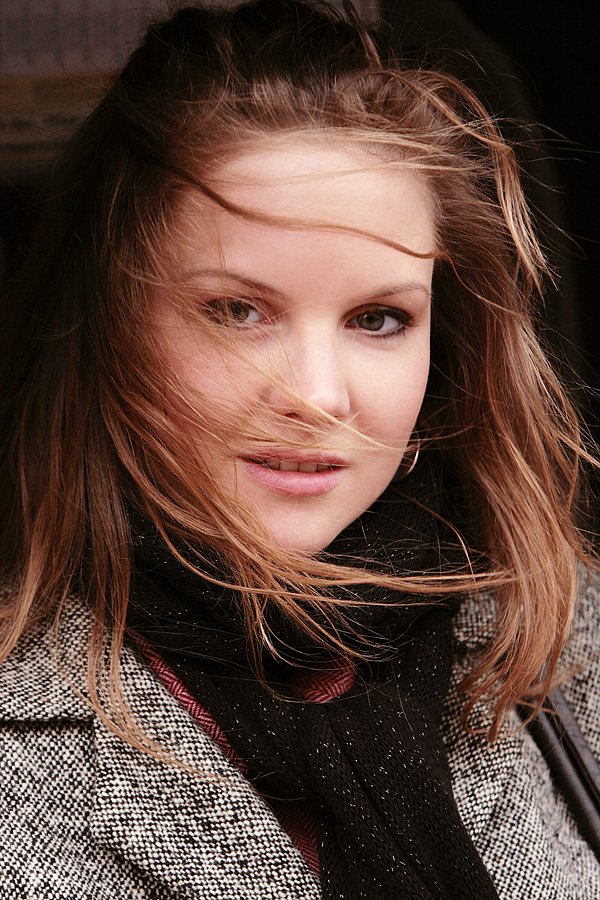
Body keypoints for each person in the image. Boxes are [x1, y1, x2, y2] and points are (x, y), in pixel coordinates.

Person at [0, 1, 598, 897]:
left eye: (379, 318)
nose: (318, 396)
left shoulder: (550, 629)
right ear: (110, 327)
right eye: (238, 311)